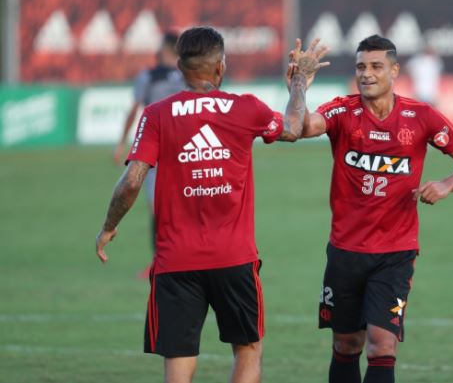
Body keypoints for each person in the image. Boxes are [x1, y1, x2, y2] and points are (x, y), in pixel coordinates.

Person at [95, 27, 329, 383]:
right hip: (234, 258)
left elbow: (131, 181)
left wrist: (109, 226)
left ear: (179, 67)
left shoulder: (156, 114)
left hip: (175, 261)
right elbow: (293, 128)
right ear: (221, 67)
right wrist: (299, 82)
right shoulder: (245, 107)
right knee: (248, 351)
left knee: (179, 359)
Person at [294, 35, 453, 383]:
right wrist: (299, 86)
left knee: (382, 346)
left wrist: (447, 184)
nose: (366, 74)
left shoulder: (420, 116)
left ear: (395, 71)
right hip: (345, 251)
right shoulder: (342, 111)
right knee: (346, 344)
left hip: (395, 254)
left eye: (376, 66)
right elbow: (301, 127)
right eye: (360, 67)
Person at [112, 31, 187, 270]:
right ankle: (163, 260)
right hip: (171, 150)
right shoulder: (181, 75)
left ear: (166, 49)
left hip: (169, 151)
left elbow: (134, 109)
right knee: (163, 207)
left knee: (168, 207)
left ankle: (170, 259)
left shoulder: (155, 76)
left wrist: (121, 143)